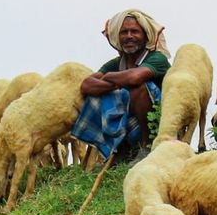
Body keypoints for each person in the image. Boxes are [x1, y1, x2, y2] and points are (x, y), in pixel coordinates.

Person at [71, 9, 171, 161]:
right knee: (97, 94)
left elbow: (134, 77)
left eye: (135, 32)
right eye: (124, 32)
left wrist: (109, 77)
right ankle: (121, 150)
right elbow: (87, 85)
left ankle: (147, 146)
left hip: (159, 120)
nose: (129, 36)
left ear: (145, 36)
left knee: (139, 88)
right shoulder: (118, 63)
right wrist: (115, 85)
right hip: (130, 121)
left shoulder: (157, 58)